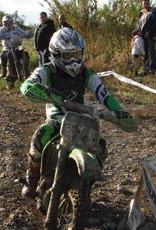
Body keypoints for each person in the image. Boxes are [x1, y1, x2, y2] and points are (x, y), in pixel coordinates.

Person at [19, 28, 136, 199]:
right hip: (57, 120)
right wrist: (48, 94)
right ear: (56, 55)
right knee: (40, 136)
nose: (73, 60)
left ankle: (86, 183)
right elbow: (26, 86)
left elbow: (104, 95)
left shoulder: (86, 74)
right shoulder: (46, 71)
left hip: (83, 121)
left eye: (76, 54)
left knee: (101, 146)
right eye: (67, 56)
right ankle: (33, 178)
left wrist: (118, 112)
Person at [0, 15, 33, 89]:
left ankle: (26, 71)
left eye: (9, 22)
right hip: (7, 48)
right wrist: (6, 36)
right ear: (3, 22)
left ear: (12, 22)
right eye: (6, 22)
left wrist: (29, 35)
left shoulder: (16, 28)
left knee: (25, 54)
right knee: (3, 55)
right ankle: (3, 71)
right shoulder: (2, 29)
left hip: (17, 47)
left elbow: (23, 33)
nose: (8, 23)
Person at [137, 0, 156, 75]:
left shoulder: (154, 12)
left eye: (146, 3)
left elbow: (155, 24)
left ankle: (152, 68)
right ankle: (146, 68)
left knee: (151, 51)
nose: (145, 5)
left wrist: (149, 33)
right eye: (144, 4)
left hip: (150, 36)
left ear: (149, 3)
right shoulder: (141, 13)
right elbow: (139, 24)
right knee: (145, 52)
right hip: (143, 35)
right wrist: (138, 31)